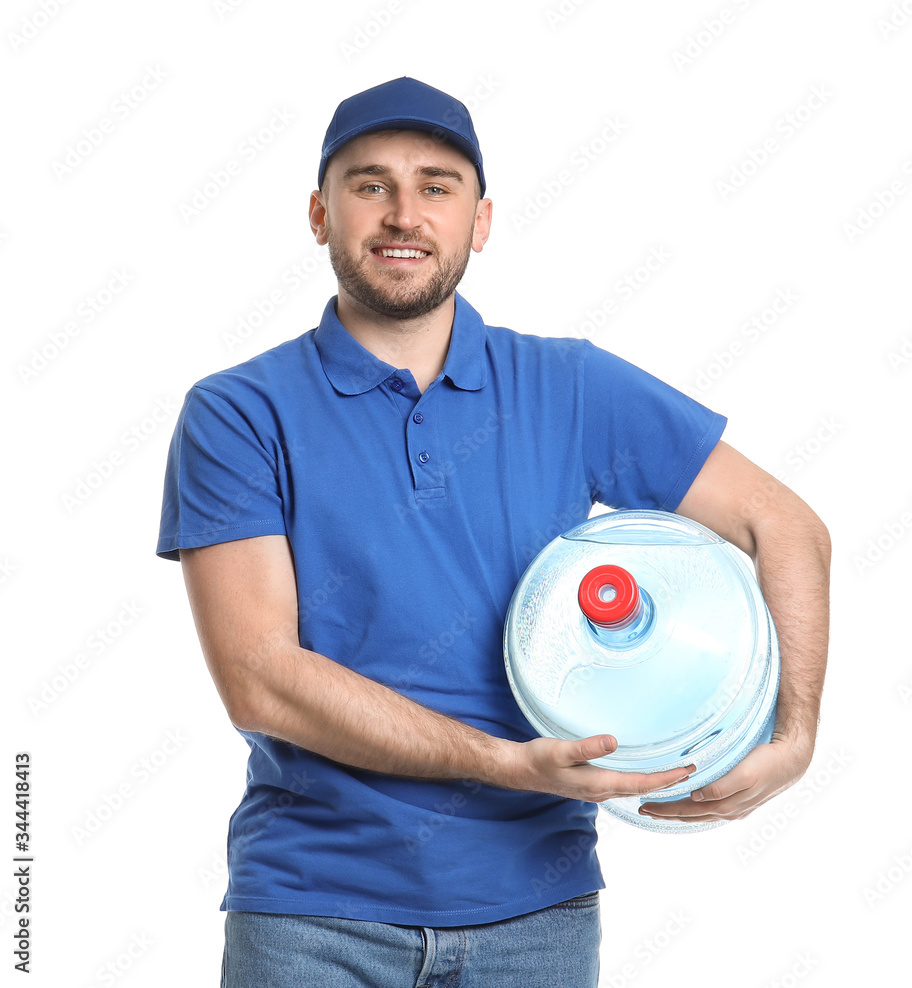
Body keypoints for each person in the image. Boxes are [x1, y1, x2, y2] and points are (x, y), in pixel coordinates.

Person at [157, 76, 830, 987]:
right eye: (370, 185)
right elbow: (261, 681)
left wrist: (793, 737)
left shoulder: (570, 386)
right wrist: (508, 764)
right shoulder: (240, 413)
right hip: (313, 916)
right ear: (320, 214)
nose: (404, 214)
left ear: (480, 221)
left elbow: (784, 525)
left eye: (437, 187)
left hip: (537, 918)